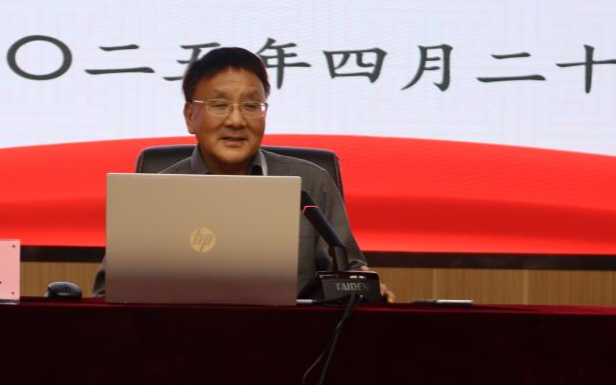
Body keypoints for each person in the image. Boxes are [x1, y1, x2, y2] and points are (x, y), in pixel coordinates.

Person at [93, 46, 394, 302]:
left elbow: (348, 274)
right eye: (220, 105)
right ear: (190, 116)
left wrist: (363, 284)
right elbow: (108, 294)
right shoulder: (151, 195)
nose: (236, 120)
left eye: (251, 105)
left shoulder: (310, 183)